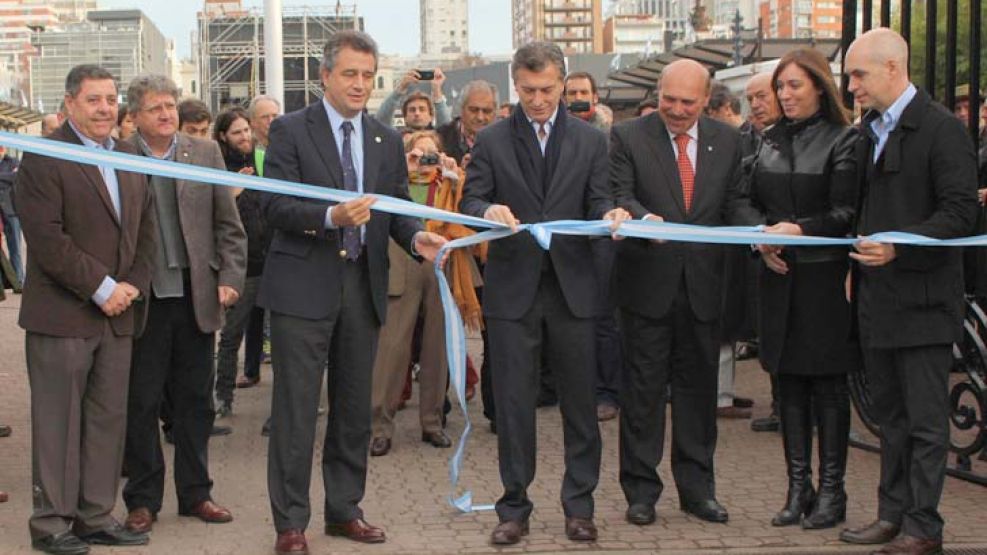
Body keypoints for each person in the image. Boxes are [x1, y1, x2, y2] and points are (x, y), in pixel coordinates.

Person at [258, 30, 447, 554]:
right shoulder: (291, 131)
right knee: (296, 410)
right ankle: (290, 523)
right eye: (350, 74)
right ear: (325, 76)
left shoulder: (385, 139)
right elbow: (272, 206)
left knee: (352, 409)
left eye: (368, 75)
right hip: (302, 287)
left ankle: (344, 510)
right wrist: (329, 216)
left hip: (363, 287)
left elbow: (391, 208)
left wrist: (416, 238)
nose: (361, 84)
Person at [460, 40, 626, 546]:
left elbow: (600, 201)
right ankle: (514, 508)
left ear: (563, 81)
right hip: (513, 292)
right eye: (528, 90)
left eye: (547, 89)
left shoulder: (591, 140)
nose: (537, 99)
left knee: (580, 404)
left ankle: (579, 506)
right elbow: (472, 197)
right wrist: (485, 210)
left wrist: (612, 215)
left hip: (573, 290)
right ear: (516, 84)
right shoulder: (491, 140)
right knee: (513, 406)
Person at [839, 28, 979, 555]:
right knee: (888, 420)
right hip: (878, 299)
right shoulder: (868, 130)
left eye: (859, 75)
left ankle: (925, 526)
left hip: (923, 300)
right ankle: (891, 515)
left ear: (893, 69)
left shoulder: (941, 129)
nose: (851, 85)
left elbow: (961, 212)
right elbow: (865, 208)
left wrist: (900, 248)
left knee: (924, 422)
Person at [16, 63, 157, 554]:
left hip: (118, 318)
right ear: (71, 103)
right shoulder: (45, 156)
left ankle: (95, 516)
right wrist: (102, 287)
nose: (104, 108)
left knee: (105, 421)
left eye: (110, 98)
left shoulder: (133, 154)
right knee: (57, 424)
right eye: (94, 99)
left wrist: (133, 286)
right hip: (63, 316)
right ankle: (51, 524)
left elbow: (147, 231)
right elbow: (47, 239)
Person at [611, 59, 753, 527]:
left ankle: (698, 491)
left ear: (706, 100)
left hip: (703, 290)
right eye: (668, 99)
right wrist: (641, 217)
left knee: (698, 398)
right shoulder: (630, 137)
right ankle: (641, 492)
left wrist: (761, 231)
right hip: (646, 287)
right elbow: (620, 195)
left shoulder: (729, 141)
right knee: (643, 396)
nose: (675, 109)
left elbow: (735, 203)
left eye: (686, 102)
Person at [121, 73, 247, 535]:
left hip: (198, 296)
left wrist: (231, 277)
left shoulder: (205, 153)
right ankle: (142, 500)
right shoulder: (119, 158)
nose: (167, 114)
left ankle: (197, 494)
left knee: (196, 403)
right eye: (155, 107)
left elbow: (228, 225)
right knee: (142, 402)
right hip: (144, 301)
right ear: (134, 116)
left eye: (170, 105)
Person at [746, 48, 859, 530]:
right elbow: (747, 203)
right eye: (781, 87)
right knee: (787, 384)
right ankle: (799, 488)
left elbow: (847, 214)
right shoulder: (766, 142)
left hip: (825, 280)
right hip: (779, 278)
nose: (785, 95)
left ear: (818, 86)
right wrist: (760, 240)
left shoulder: (846, 141)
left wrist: (799, 229)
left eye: (794, 85)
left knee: (829, 388)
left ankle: (833, 491)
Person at [369, 130, 478, 456]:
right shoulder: (392, 179)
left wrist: (454, 177)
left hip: (442, 261)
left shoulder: (449, 182)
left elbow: (468, 215)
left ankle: (432, 423)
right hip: (399, 259)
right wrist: (403, 168)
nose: (424, 161)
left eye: (431, 154)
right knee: (391, 348)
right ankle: (379, 427)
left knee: (437, 347)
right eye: (417, 154)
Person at [212, 107, 269, 417]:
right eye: (237, 132)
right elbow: (212, 213)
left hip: (270, 261)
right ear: (223, 136)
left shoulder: (263, 160)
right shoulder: (216, 165)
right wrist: (232, 191)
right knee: (232, 335)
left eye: (247, 130)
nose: (245, 137)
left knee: (283, 336)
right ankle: (222, 397)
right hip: (241, 267)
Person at [705, 82, 757, 421]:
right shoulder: (735, 142)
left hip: (739, 248)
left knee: (729, 326)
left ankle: (723, 393)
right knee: (720, 325)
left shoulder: (743, 142)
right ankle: (718, 395)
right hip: (719, 251)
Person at [744, 71, 785, 434]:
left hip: (804, 255)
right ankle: (780, 403)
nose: (756, 105)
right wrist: (759, 234)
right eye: (750, 99)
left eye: (763, 96)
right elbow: (742, 198)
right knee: (769, 335)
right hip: (762, 254)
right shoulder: (749, 140)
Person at [436, 80, 497, 165]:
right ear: (461, 109)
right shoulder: (440, 139)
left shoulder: (507, 142)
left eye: (487, 111)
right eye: (473, 110)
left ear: (495, 113)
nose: (480, 117)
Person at [375, 68, 451, 131]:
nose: (417, 113)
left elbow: (447, 126)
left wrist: (437, 90)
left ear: (431, 116)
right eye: (412, 110)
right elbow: (381, 121)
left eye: (422, 109)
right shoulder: (398, 140)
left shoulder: (439, 139)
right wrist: (401, 87)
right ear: (405, 117)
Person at [0, 145, 24, 286]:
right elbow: (9, 178)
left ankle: (18, 280)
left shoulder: (14, 162)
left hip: (11, 210)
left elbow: (15, 177)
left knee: (15, 247)